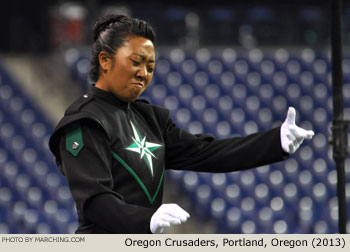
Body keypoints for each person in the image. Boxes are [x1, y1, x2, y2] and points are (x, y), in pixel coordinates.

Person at [49, 14, 314, 234]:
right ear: (105, 61)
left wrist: (274, 141)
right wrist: (146, 219)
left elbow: (207, 152)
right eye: (136, 62)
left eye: (151, 66)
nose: (144, 73)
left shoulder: (148, 117)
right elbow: (95, 201)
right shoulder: (85, 121)